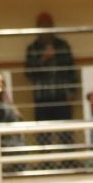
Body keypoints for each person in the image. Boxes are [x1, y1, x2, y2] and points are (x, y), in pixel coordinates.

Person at [24, 12, 78, 140]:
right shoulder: (33, 48)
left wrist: (72, 90)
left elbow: (71, 69)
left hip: (62, 96)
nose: (45, 30)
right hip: (42, 97)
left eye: (47, 26)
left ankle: (68, 160)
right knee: (43, 135)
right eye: (42, 26)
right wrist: (42, 59)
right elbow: (28, 72)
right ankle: (45, 160)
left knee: (66, 134)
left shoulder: (62, 45)